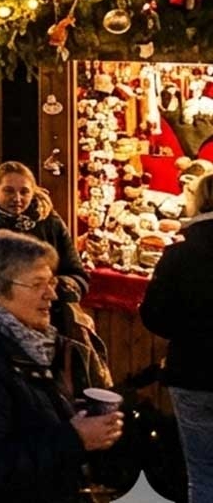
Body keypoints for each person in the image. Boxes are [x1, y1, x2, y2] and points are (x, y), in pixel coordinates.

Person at [0, 230, 124, 503]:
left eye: (51, 282)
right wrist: (74, 438)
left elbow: (25, 417)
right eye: (37, 284)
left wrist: (70, 414)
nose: (51, 295)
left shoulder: (30, 342)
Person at [143, 176, 213, 503]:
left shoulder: (178, 254)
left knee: (201, 473)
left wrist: (188, 331)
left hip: (190, 370)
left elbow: (154, 314)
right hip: (191, 371)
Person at [0, 162, 89, 318]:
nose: (17, 198)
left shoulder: (49, 223)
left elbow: (78, 274)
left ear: (33, 192)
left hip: (46, 315)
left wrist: (59, 286)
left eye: (24, 192)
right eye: (9, 191)